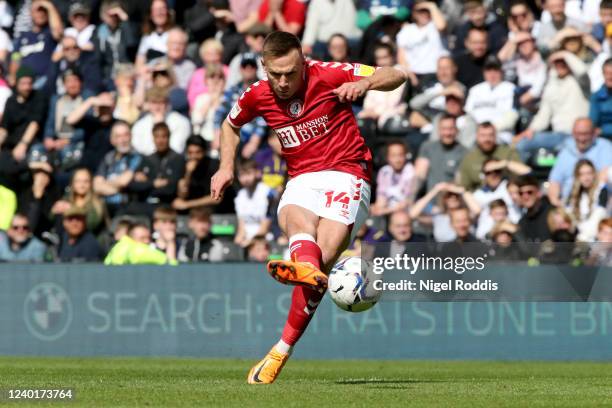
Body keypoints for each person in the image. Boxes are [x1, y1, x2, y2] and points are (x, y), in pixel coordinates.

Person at [210, 31, 406, 384]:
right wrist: (226, 167)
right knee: (294, 219)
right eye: (275, 74)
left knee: (323, 253)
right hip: (302, 177)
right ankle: (308, 270)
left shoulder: (328, 73)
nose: (283, 82)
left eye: (290, 72)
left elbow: (397, 74)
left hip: (347, 172)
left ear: (302, 60)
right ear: (263, 67)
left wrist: (365, 85)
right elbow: (230, 125)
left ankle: (281, 347)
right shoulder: (257, 94)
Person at [513, 50, 590, 163]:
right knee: (522, 145)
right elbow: (544, 114)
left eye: (563, 63)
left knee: (566, 153)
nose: (560, 66)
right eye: (557, 63)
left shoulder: (581, 82)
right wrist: (531, 130)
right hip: (556, 135)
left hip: (577, 136)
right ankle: (525, 179)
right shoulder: (551, 86)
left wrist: (564, 54)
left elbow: (582, 71)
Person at [548, 118, 612, 206]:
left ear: (594, 133)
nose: (581, 138)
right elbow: (554, 180)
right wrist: (555, 202)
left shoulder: (605, 147)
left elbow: (605, 176)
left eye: (585, 134)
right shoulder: (565, 150)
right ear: (573, 133)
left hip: (595, 202)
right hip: (567, 205)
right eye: (578, 134)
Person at [458, 122, 527, 191]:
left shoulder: (508, 152)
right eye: (483, 135)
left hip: (508, 194)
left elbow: (526, 172)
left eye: (490, 135)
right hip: (480, 197)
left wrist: (504, 164)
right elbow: (464, 188)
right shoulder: (469, 159)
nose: (487, 139)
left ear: (495, 136)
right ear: (476, 136)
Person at [93, 121, 143, 216]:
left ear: (131, 136)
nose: (123, 140)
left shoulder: (137, 157)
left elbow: (124, 182)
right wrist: (118, 187)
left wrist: (105, 183)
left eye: (126, 135)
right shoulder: (108, 157)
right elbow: (96, 186)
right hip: (106, 207)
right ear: (112, 140)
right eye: (118, 136)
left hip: (127, 207)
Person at [464, 55, 517, 144]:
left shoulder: (511, 89)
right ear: (484, 72)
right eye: (488, 70)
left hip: (500, 135)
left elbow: (512, 117)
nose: (492, 74)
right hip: (475, 134)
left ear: (501, 71)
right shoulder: (475, 90)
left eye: (495, 70)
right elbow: (468, 115)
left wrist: (488, 130)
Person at [396, 0, 447, 84]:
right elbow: (401, 57)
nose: (424, 14)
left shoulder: (434, 26)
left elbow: (441, 26)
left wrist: (431, 5)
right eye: (420, 11)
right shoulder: (406, 31)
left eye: (427, 10)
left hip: (437, 73)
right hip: (415, 75)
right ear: (413, 13)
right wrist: (410, 75)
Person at [131, 87, 191, 156]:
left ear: (167, 103)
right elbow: (139, 147)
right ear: (148, 104)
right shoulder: (139, 125)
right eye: (154, 102)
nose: (157, 107)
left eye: (161, 102)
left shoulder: (181, 122)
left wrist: (160, 125)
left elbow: (177, 148)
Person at [415, 114, 468, 193]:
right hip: (430, 200)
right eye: (444, 129)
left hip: (452, 200)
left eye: (451, 129)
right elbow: (419, 177)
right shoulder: (427, 147)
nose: (447, 133)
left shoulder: (464, 152)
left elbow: (460, 181)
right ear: (438, 130)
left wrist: (446, 187)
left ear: (456, 130)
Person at [51, 168, 108, 236]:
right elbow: (52, 218)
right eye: (78, 181)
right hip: (62, 238)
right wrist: (55, 210)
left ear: (91, 183)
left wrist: (71, 209)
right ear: (72, 183)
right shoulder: (66, 199)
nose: (82, 185)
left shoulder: (97, 203)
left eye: (86, 181)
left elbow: (92, 224)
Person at [565, 159, 608, 241]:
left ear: (594, 174)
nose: (586, 178)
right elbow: (569, 215)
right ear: (577, 177)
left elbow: (599, 216)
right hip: (578, 238)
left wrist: (582, 237)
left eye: (589, 173)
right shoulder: (574, 195)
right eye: (582, 174)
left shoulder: (601, 190)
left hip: (596, 238)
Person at [370, 141, 415, 216]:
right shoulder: (384, 172)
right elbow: (381, 198)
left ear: (406, 156)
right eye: (393, 156)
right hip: (387, 210)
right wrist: (376, 208)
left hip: (406, 212)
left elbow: (407, 202)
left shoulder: (411, 172)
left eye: (400, 155)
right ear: (387, 157)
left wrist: (384, 211)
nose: (397, 160)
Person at [104, 221, 178, 265]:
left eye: (148, 238)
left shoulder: (118, 247)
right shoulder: (138, 250)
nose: (147, 241)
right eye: (142, 238)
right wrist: (170, 242)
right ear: (131, 237)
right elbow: (171, 266)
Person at [516, 175, 553, 243]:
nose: (525, 197)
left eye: (529, 192)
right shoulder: (522, 222)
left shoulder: (552, 214)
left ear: (538, 193)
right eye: (521, 193)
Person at [589, 58, 612, 141]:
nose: (610, 77)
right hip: (602, 139)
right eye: (607, 73)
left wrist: (603, 130)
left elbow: (598, 130)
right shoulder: (596, 96)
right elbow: (593, 122)